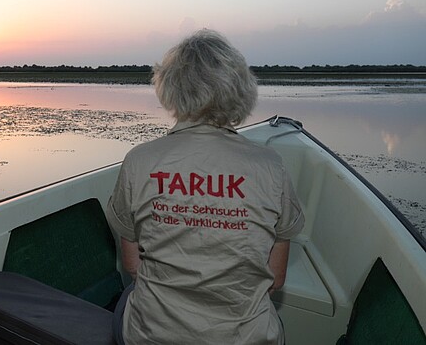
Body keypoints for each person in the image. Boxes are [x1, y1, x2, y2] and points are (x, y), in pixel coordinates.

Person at [107, 29, 304, 344]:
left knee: (126, 301)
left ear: (169, 87)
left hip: (154, 336)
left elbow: (133, 266)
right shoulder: (270, 166)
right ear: (239, 90)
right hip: (243, 338)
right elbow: (275, 279)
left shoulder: (138, 161)